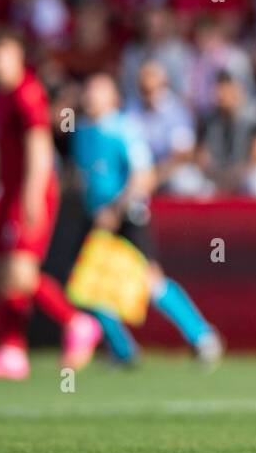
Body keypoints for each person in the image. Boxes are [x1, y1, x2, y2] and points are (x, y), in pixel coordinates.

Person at [0, 29, 101, 380]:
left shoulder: (28, 94)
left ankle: (77, 322)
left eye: (4, 55)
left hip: (29, 192)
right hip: (8, 193)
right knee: (3, 275)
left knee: (21, 273)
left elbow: (39, 147)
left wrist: (31, 195)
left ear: (17, 57)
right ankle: (11, 351)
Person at [71, 72, 223, 364]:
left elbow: (143, 176)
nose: (90, 96)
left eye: (98, 90)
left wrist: (116, 210)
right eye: (88, 89)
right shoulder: (81, 132)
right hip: (97, 219)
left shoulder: (124, 129)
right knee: (91, 284)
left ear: (114, 98)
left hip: (127, 217)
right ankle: (121, 350)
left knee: (149, 280)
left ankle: (202, 336)